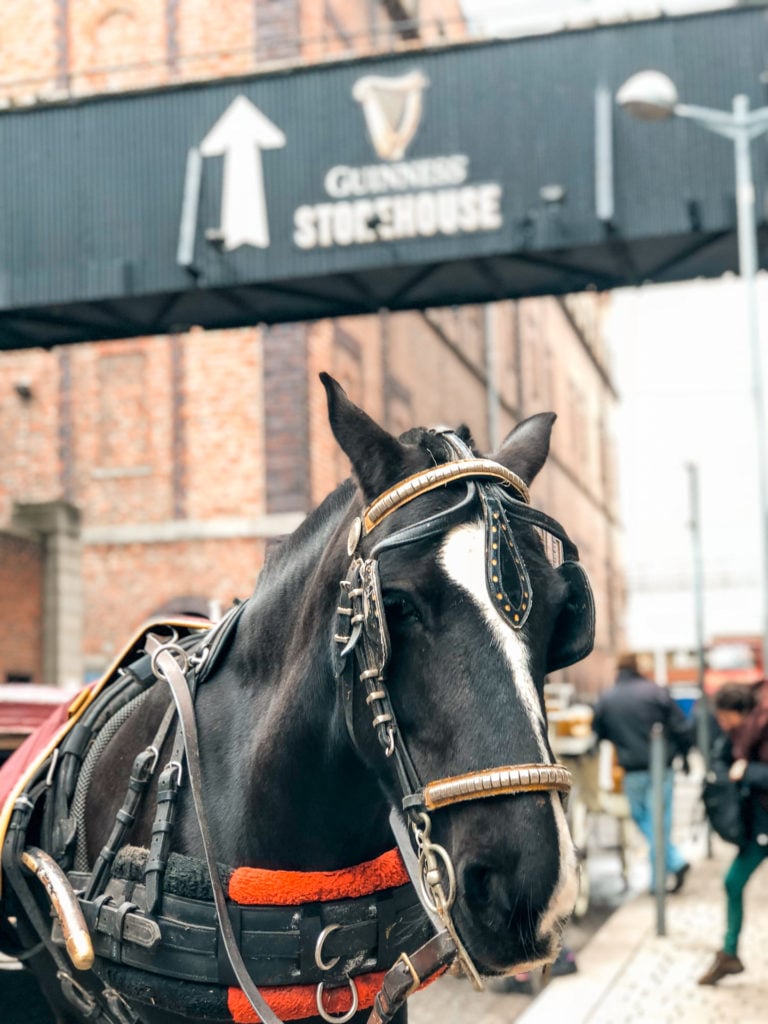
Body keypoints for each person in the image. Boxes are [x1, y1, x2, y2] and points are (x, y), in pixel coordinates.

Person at [592, 652, 692, 894]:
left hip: (632, 769)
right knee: (659, 822)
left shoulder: (607, 698)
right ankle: (674, 861)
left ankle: (659, 881)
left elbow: (598, 730)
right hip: (661, 768)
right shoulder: (656, 692)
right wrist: (685, 756)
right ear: (639, 668)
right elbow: (682, 727)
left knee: (641, 818)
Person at [698, 681, 768, 986]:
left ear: (743, 712)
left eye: (727, 719)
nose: (723, 725)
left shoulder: (763, 729)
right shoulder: (741, 735)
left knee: (733, 882)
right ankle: (729, 954)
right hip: (758, 825)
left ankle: (729, 954)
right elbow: (723, 759)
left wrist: (746, 772)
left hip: (763, 824)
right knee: (732, 883)